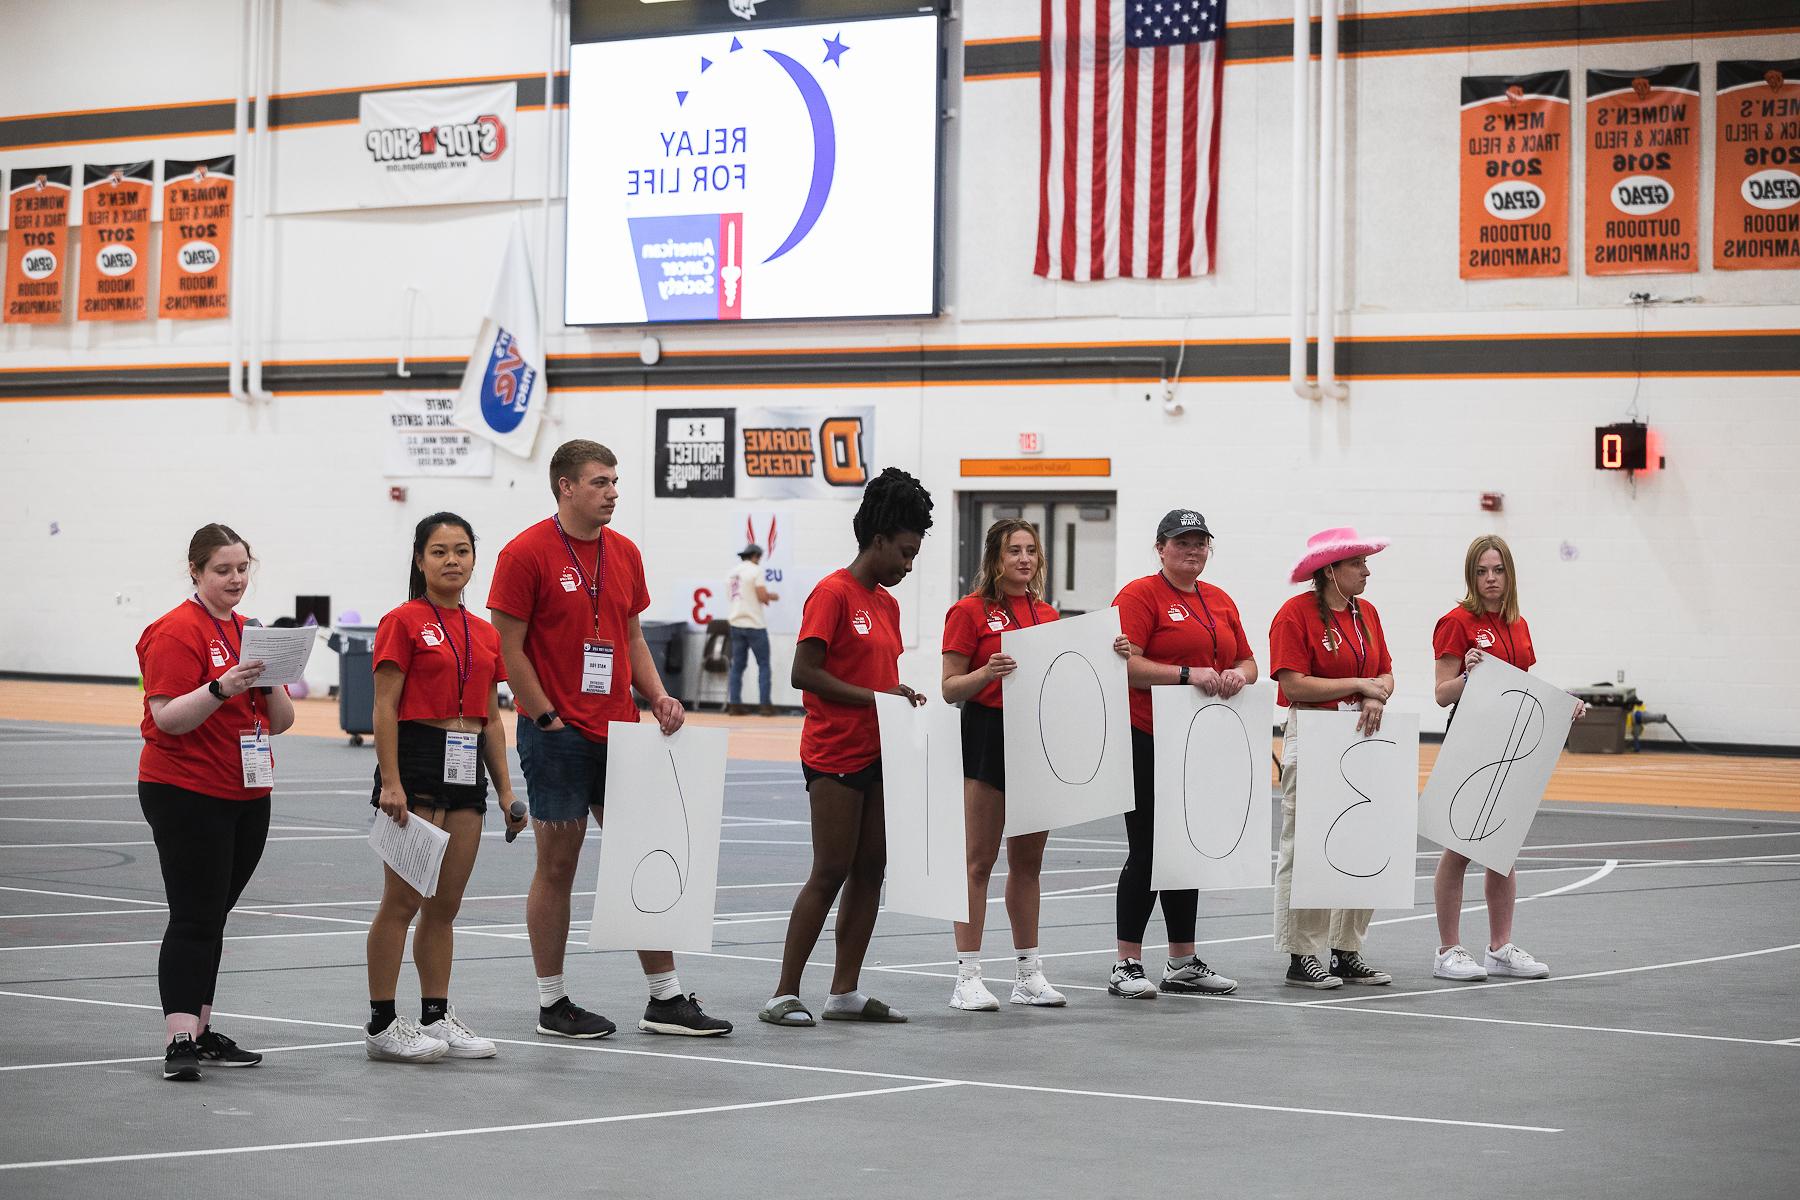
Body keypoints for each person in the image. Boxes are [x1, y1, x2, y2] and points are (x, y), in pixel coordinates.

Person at [489, 439, 731, 1038]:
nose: (613, 492)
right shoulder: (524, 554)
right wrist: (545, 716)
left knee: (642, 853)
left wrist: (658, 696)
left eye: (616, 481)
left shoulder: (624, 553)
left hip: (621, 731)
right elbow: (509, 649)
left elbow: (633, 638)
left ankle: (665, 997)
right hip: (557, 735)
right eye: (600, 482)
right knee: (559, 863)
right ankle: (552, 1002)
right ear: (566, 486)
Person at [760, 468, 933, 1027]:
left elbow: (879, 676)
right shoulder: (833, 593)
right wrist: (875, 695)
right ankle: (784, 992)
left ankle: (844, 991)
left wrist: (897, 695)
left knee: (871, 869)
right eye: (905, 552)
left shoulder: (887, 605)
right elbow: (803, 673)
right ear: (878, 540)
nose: (909, 564)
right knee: (830, 868)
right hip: (834, 754)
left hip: (881, 752)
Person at [136, 524, 296, 1080]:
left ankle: (201, 1029)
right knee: (195, 914)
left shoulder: (249, 630)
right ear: (197, 573)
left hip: (246, 790)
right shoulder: (176, 632)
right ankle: (180, 1037)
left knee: (214, 915)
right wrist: (222, 687)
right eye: (223, 570)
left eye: (242, 568)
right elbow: (166, 718)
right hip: (185, 789)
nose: (235, 579)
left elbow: (279, 723)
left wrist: (272, 676)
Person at [363, 513, 525, 1063]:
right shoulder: (402, 621)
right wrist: (392, 781)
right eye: (439, 552)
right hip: (415, 758)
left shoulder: (484, 632)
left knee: (445, 905)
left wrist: (505, 792)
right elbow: (384, 705)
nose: (451, 561)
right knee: (402, 900)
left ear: (474, 558)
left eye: (461, 550)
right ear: (419, 560)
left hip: (466, 766)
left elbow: (492, 720)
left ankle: (437, 1016)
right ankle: (383, 1023)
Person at [1107, 510, 1257, 1000]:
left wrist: (1240, 676)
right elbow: (1125, 666)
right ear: (1161, 548)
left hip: (1201, 741)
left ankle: (1182, 960)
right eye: (1182, 541)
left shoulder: (1220, 600)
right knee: (1147, 849)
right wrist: (1187, 674)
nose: (1193, 550)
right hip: (1147, 735)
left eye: (1200, 542)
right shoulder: (1139, 595)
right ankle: (1126, 963)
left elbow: (1249, 661)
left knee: (1187, 849)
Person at [1429, 534, 1584, 983]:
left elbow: (1523, 688)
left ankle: (1499, 948)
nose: (1490, 579)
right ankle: (1448, 950)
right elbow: (1442, 693)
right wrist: (1468, 675)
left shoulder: (1518, 625)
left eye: (1497, 570)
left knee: (1502, 848)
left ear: (1509, 574)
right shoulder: (1456, 622)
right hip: (1471, 741)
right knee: (1458, 849)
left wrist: (1564, 704)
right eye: (1481, 571)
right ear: (1471, 576)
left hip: (1511, 743)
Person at [1269, 527, 1397, 990]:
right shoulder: (1294, 614)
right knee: (1306, 843)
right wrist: (1358, 686)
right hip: (1314, 731)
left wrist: (1376, 694)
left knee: (1360, 838)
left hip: (1362, 734)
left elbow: (1383, 671)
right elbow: (1294, 685)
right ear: (1330, 571)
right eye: (1357, 564)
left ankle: (1347, 948)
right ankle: (1301, 951)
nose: (1366, 571)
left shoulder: (1368, 614)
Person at [726, 542, 778, 716]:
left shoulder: (732, 572)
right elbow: (762, 595)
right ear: (755, 556)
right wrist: (772, 596)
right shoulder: (756, 571)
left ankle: (734, 704)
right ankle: (765, 705)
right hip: (754, 624)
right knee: (763, 665)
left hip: (736, 623)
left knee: (737, 667)